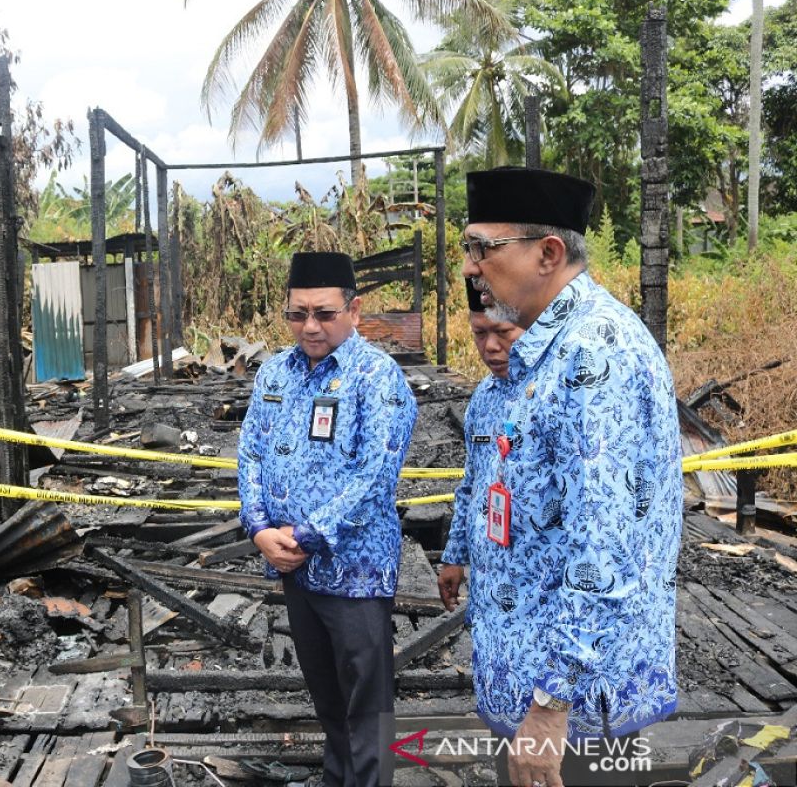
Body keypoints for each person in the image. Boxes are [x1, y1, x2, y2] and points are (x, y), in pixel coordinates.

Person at [442, 167, 683, 787]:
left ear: (549, 253)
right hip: (525, 676)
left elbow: (606, 549)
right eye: (468, 248)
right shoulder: (538, 357)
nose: (470, 267)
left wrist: (551, 709)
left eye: (483, 248)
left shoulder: (595, 354)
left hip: (573, 706)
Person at [238, 251, 418, 787]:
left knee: (367, 703)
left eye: (324, 313)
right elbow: (249, 450)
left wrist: (305, 534)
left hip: (355, 571)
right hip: (295, 567)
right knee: (326, 695)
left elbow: (376, 475)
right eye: (297, 314)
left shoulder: (377, 378)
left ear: (355, 310)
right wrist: (259, 527)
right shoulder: (275, 372)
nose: (310, 327)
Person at [439, 278, 524, 610]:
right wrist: (454, 556)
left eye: (502, 332)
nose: (490, 346)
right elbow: (472, 482)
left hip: (532, 585)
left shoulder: (548, 394)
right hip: (487, 579)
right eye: (479, 334)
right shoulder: (483, 397)